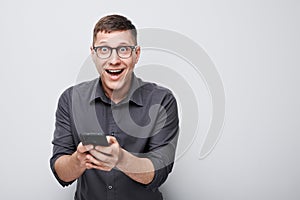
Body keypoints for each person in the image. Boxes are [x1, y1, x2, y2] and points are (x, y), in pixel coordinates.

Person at [50, 14, 179, 200]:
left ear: (137, 54)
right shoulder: (70, 100)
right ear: (93, 55)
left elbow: (159, 171)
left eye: (124, 49)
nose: (114, 60)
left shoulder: (162, 101)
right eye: (104, 49)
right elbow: (60, 171)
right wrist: (77, 160)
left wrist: (121, 159)